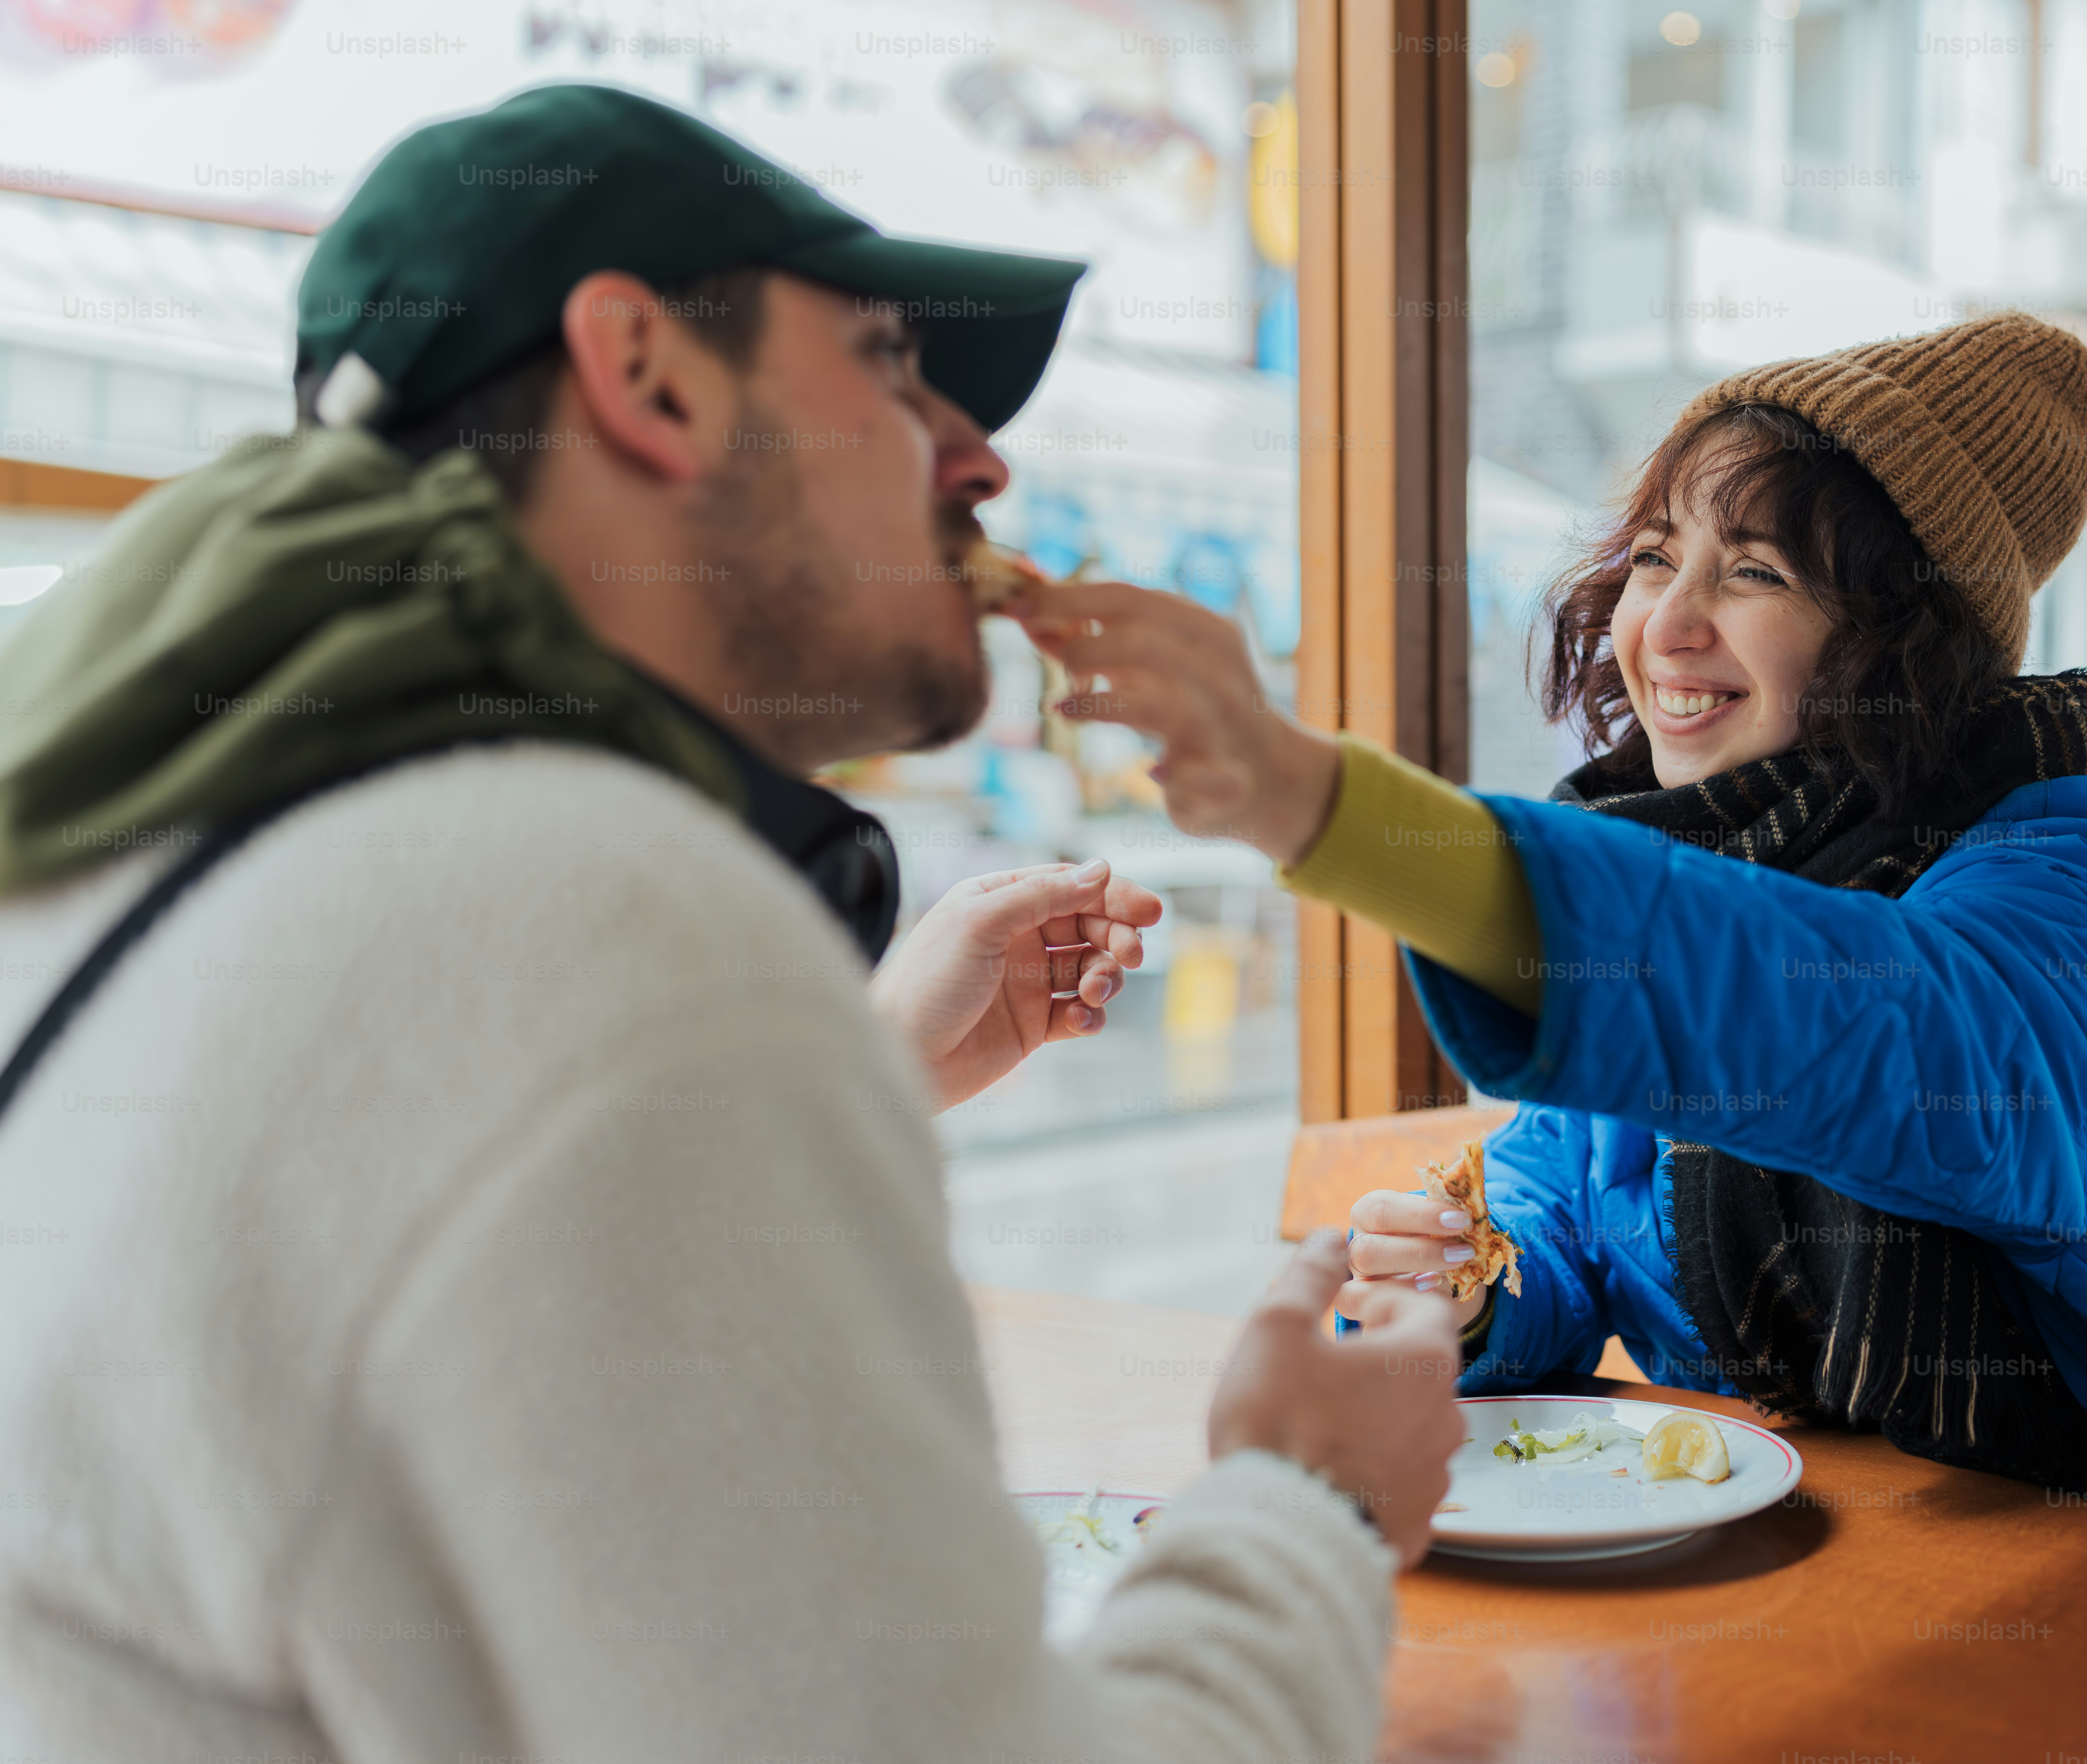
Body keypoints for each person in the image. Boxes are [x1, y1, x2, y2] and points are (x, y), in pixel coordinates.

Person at [0, 86, 1463, 1764]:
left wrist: (857, 1067)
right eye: (892, 369)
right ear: (651, 374)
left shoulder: (155, 825)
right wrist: (1308, 1507)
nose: (981, 460)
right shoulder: (603, 914)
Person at [1021, 313, 2087, 1491]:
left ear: (1898, 642)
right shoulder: (1712, 855)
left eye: (1751, 572)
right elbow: (1568, 1203)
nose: (1665, 624)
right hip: (1781, 1582)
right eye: (1651, 556)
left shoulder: (2077, 875)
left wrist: (1331, 808)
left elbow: (1869, 1031)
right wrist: (1468, 1292)